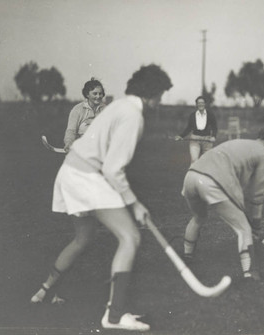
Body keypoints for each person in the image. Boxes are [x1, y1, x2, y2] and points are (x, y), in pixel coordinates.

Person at [30, 64, 172, 331]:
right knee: (130, 237)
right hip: (86, 176)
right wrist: (134, 203)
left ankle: (45, 289)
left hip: (70, 171)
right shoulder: (133, 115)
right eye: (161, 95)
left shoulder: (117, 107)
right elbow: (112, 169)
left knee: (83, 239)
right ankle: (115, 316)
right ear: (152, 92)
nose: (160, 102)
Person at [181, 125, 264, 281]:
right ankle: (250, 272)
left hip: (191, 176)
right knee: (243, 228)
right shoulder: (263, 153)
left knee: (198, 217)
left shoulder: (240, 142)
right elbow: (257, 193)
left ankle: (187, 255)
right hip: (212, 181)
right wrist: (255, 224)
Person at [63, 78, 106, 152]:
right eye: (95, 93)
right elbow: (71, 131)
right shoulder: (78, 109)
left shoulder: (106, 110)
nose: (98, 96)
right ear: (87, 94)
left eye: (100, 93)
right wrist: (69, 143)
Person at [174, 96, 218, 163]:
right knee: (194, 160)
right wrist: (181, 136)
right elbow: (189, 128)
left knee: (207, 161)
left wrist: (213, 136)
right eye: (199, 103)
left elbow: (214, 127)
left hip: (207, 140)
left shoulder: (210, 115)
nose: (200, 104)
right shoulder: (192, 115)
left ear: (205, 104)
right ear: (197, 104)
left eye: (202, 102)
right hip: (194, 139)